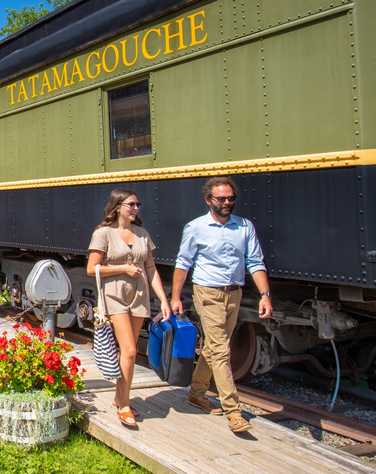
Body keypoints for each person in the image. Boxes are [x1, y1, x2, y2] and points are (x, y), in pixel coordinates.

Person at [170, 176, 273, 433]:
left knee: (216, 347)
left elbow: (255, 262)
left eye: (231, 198)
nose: (227, 203)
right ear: (208, 200)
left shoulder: (244, 226)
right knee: (221, 350)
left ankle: (196, 393)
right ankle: (233, 411)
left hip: (233, 294)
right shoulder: (195, 227)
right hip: (207, 293)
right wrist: (174, 297)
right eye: (221, 199)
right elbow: (183, 263)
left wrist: (265, 294)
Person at [87, 188, 172, 427]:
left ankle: (118, 397)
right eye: (131, 205)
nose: (135, 209)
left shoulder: (142, 234)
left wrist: (163, 300)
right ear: (117, 207)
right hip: (114, 296)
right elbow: (92, 268)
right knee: (131, 351)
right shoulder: (103, 233)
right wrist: (122, 269)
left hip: (139, 296)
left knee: (129, 354)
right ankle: (124, 404)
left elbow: (151, 268)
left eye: (137, 205)